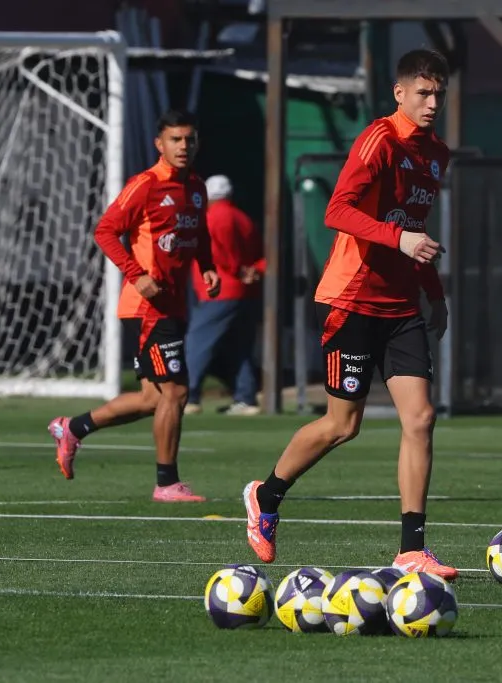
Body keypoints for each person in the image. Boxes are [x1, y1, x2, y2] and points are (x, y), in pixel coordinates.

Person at [241, 49, 456, 579]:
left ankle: (411, 549)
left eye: (439, 94)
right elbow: (337, 210)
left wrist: (434, 293)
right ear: (399, 93)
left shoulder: (436, 154)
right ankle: (267, 495)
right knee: (343, 425)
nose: (432, 103)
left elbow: (417, 227)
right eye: (423, 93)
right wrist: (399, 239)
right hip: (351, 300)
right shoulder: (379, 139)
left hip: (401, 306)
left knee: (421, 418)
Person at [48, 110, 221, 502]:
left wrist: (207, 266)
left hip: (173, 305)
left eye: (189, 139)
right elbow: (105, 230)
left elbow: (198, 233)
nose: (183, 146)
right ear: (160, 144)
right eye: (175, 139)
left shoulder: (196, 186)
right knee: (176, 393)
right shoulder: (145, 184)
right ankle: (167, 484)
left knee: (152, 399)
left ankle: (72, 428)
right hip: (147, 308)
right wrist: (136, 274)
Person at [183, 174, 263, 417]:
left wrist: (238, 270)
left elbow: (217, 252)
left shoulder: (212, 218)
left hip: (219, 291)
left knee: (197, 343)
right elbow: (260, 254)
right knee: (241, 348)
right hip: (246, 292)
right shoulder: (244, 218)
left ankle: (188, 396)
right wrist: (255, 271)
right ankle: (246, 398)